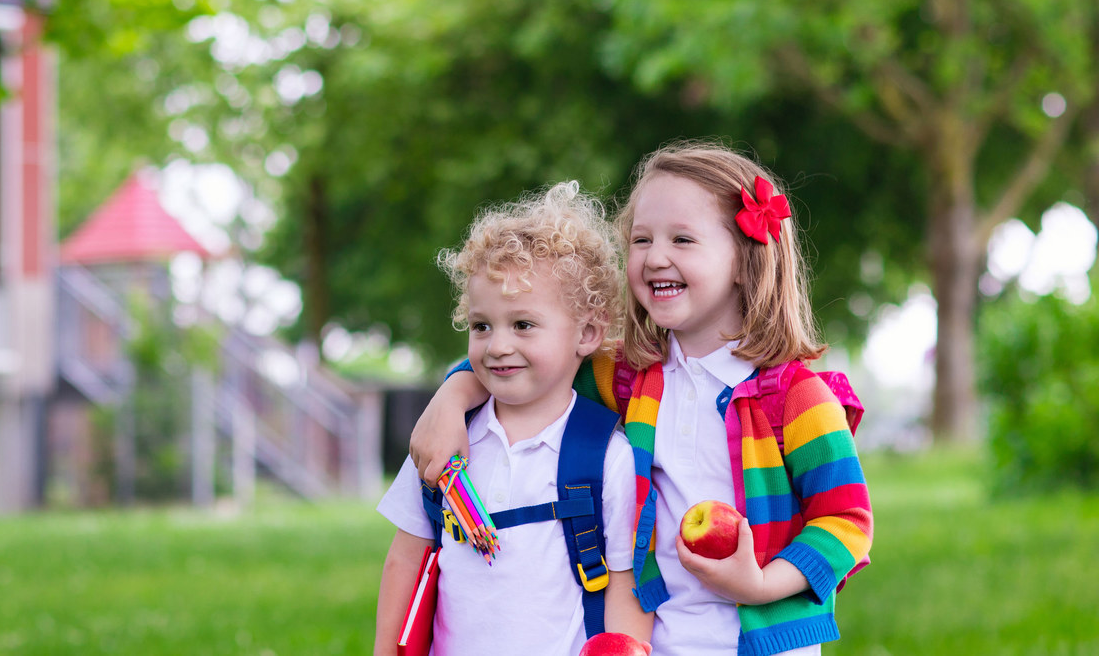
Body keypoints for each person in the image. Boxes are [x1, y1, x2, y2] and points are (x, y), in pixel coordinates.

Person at [409, 141, 873, 655]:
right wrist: (450, 399)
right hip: (658, 639)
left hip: (763, 645)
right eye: (641, 239)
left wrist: (760, 585)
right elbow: (526, 361)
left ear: (744, 261)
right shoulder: (627, 377)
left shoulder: (795, 397)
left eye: (682, 239)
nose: (655, 257)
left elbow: (845, 521)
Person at [373, 181, 653, 656]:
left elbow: (626, 583)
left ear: (587, 332)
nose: (498, 345)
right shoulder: (446, 440)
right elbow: (405, 559)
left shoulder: (607, 455)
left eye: (522, 324)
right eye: (482, 325)